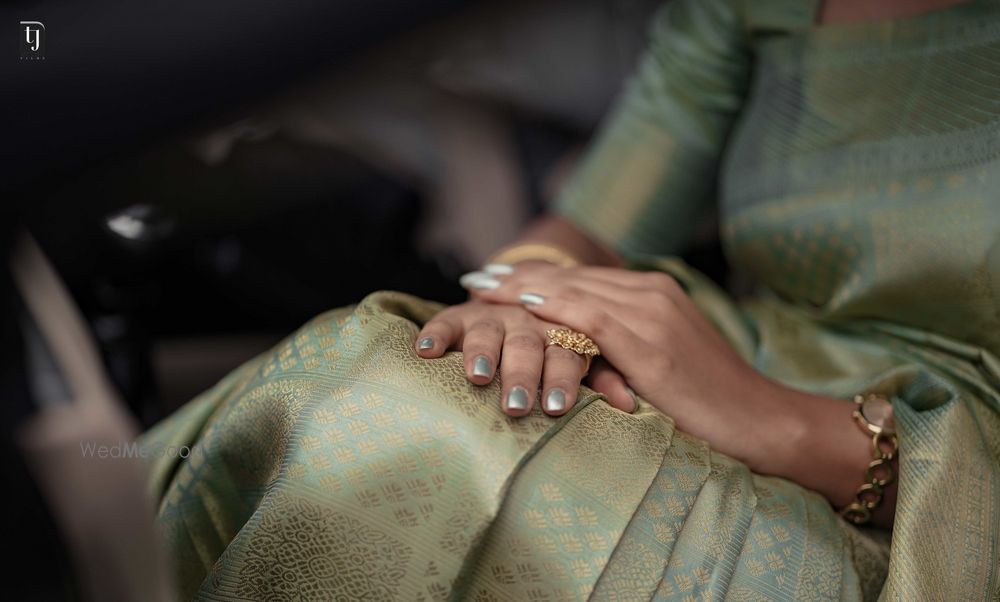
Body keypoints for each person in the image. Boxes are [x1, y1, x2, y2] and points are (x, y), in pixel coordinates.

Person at [140, 0, 1000, 599]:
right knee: (377, 367)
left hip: (933, 489)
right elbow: (593, 222)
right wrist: (519, 296)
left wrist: (782, 425)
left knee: (427, 449)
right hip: (716, 361)